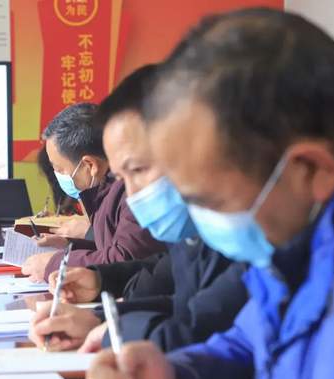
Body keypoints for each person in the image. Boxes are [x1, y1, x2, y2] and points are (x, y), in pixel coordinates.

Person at [86, 8, 334, 379]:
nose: (204, 222)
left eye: (211, 202)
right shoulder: (301, 236)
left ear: (310, 169)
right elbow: (252, 340)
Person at [29, 64, 247, 354]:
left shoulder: (250, 235)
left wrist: (110, 327)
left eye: (139, 169)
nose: (131, 194)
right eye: (121, 177)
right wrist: (100, 290)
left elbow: (201, 328)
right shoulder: (201, 230)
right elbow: (175, 292)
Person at [22, 103, 164, 282]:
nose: (58, 175)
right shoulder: (102, 190)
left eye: (59, 169)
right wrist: (69, 245)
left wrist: (55, 264)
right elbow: (112, 244)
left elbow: (125, 260)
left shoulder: (131, 189)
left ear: (90, 165)